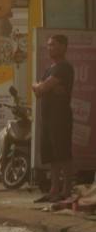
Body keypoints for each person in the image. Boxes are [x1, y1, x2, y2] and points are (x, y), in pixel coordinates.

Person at [32, 34, 74, 203]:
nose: (50, 48)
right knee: (52, 156)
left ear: (63, 47)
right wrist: (42, 87)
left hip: (60, 118)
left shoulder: (64, 67)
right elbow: (38, 90)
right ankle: (54, 190)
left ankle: (67, 191)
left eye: (54, 45)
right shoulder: (50, 69)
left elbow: (42, 88)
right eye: (49, 45)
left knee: (63, 154)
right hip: (47, 118)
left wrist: (42, 87)